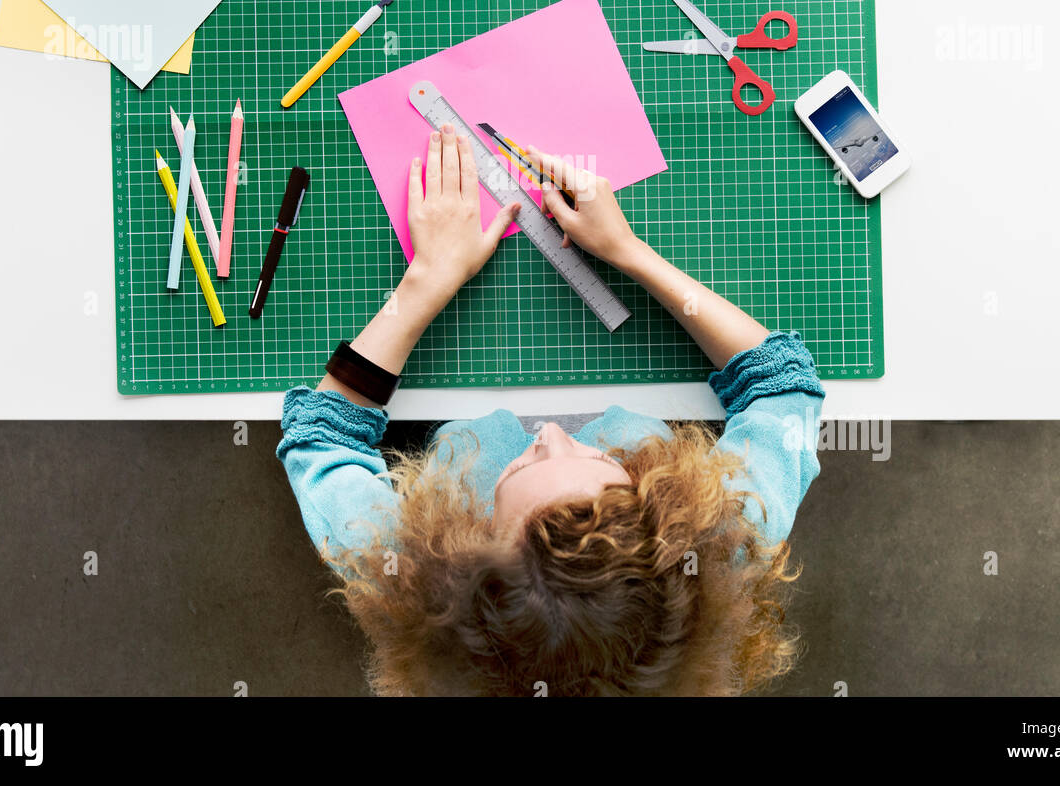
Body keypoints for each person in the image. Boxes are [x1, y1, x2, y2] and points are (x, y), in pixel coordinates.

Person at [278, 124, 825, 695]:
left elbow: (320, 436)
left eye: (525, 464)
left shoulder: (415, 572)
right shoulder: (714, 545)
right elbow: (781, 387)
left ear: (467, 558)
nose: (549, 434)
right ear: (660, 520)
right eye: (598, 461)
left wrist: (426, 281)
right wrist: (628, 252)